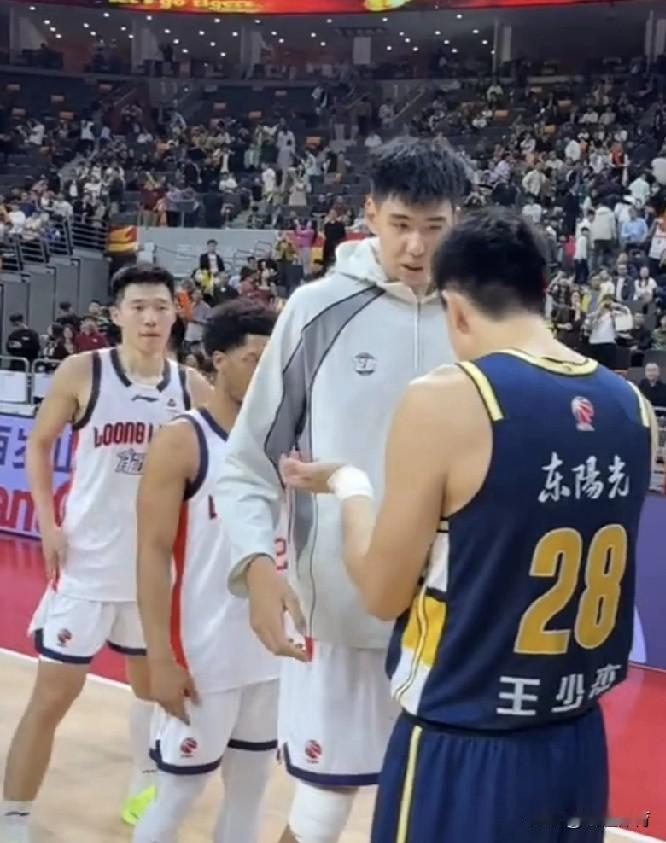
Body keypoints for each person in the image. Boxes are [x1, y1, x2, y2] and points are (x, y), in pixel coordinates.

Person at [280, 208, 657, 843]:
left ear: (454, 310)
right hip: (577, 740)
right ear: (543, 291)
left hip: (466, 741)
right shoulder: (633, 406)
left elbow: (381, 592)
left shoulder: (450, 396)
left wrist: (350, 486)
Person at [218, 137, 466, 843]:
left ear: (458, 220)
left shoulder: (476, 314)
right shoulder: (316, 309)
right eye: (401, 224)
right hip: (342, 612)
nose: (416, 246)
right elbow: (249, 462)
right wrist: (255, 566)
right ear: (370, 213)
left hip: (454, 619)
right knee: (321, 811)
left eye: (434, 227)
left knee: (437, 812)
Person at [0, 264, 212, 843]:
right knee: (52, 698)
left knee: (154, 690)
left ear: (176, 314)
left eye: (161, 307)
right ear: (116, 314)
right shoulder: (83, 371)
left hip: (154, 575)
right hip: (87, 566)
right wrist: (47, 522)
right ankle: (13, 818)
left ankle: (143, 785)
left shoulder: (191, 387)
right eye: (138, 306)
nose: (150, 317)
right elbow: (39, 444)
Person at [134, 300, 282, 843]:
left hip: (271, 653)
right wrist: (159, 656)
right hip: (204, 652)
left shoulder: (288, 439)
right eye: (252, 359)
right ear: (218, 360)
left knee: (252, 792)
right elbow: (151, 552)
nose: (264, 372)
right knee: (178, 794)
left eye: (272, 361)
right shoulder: (182, 439)